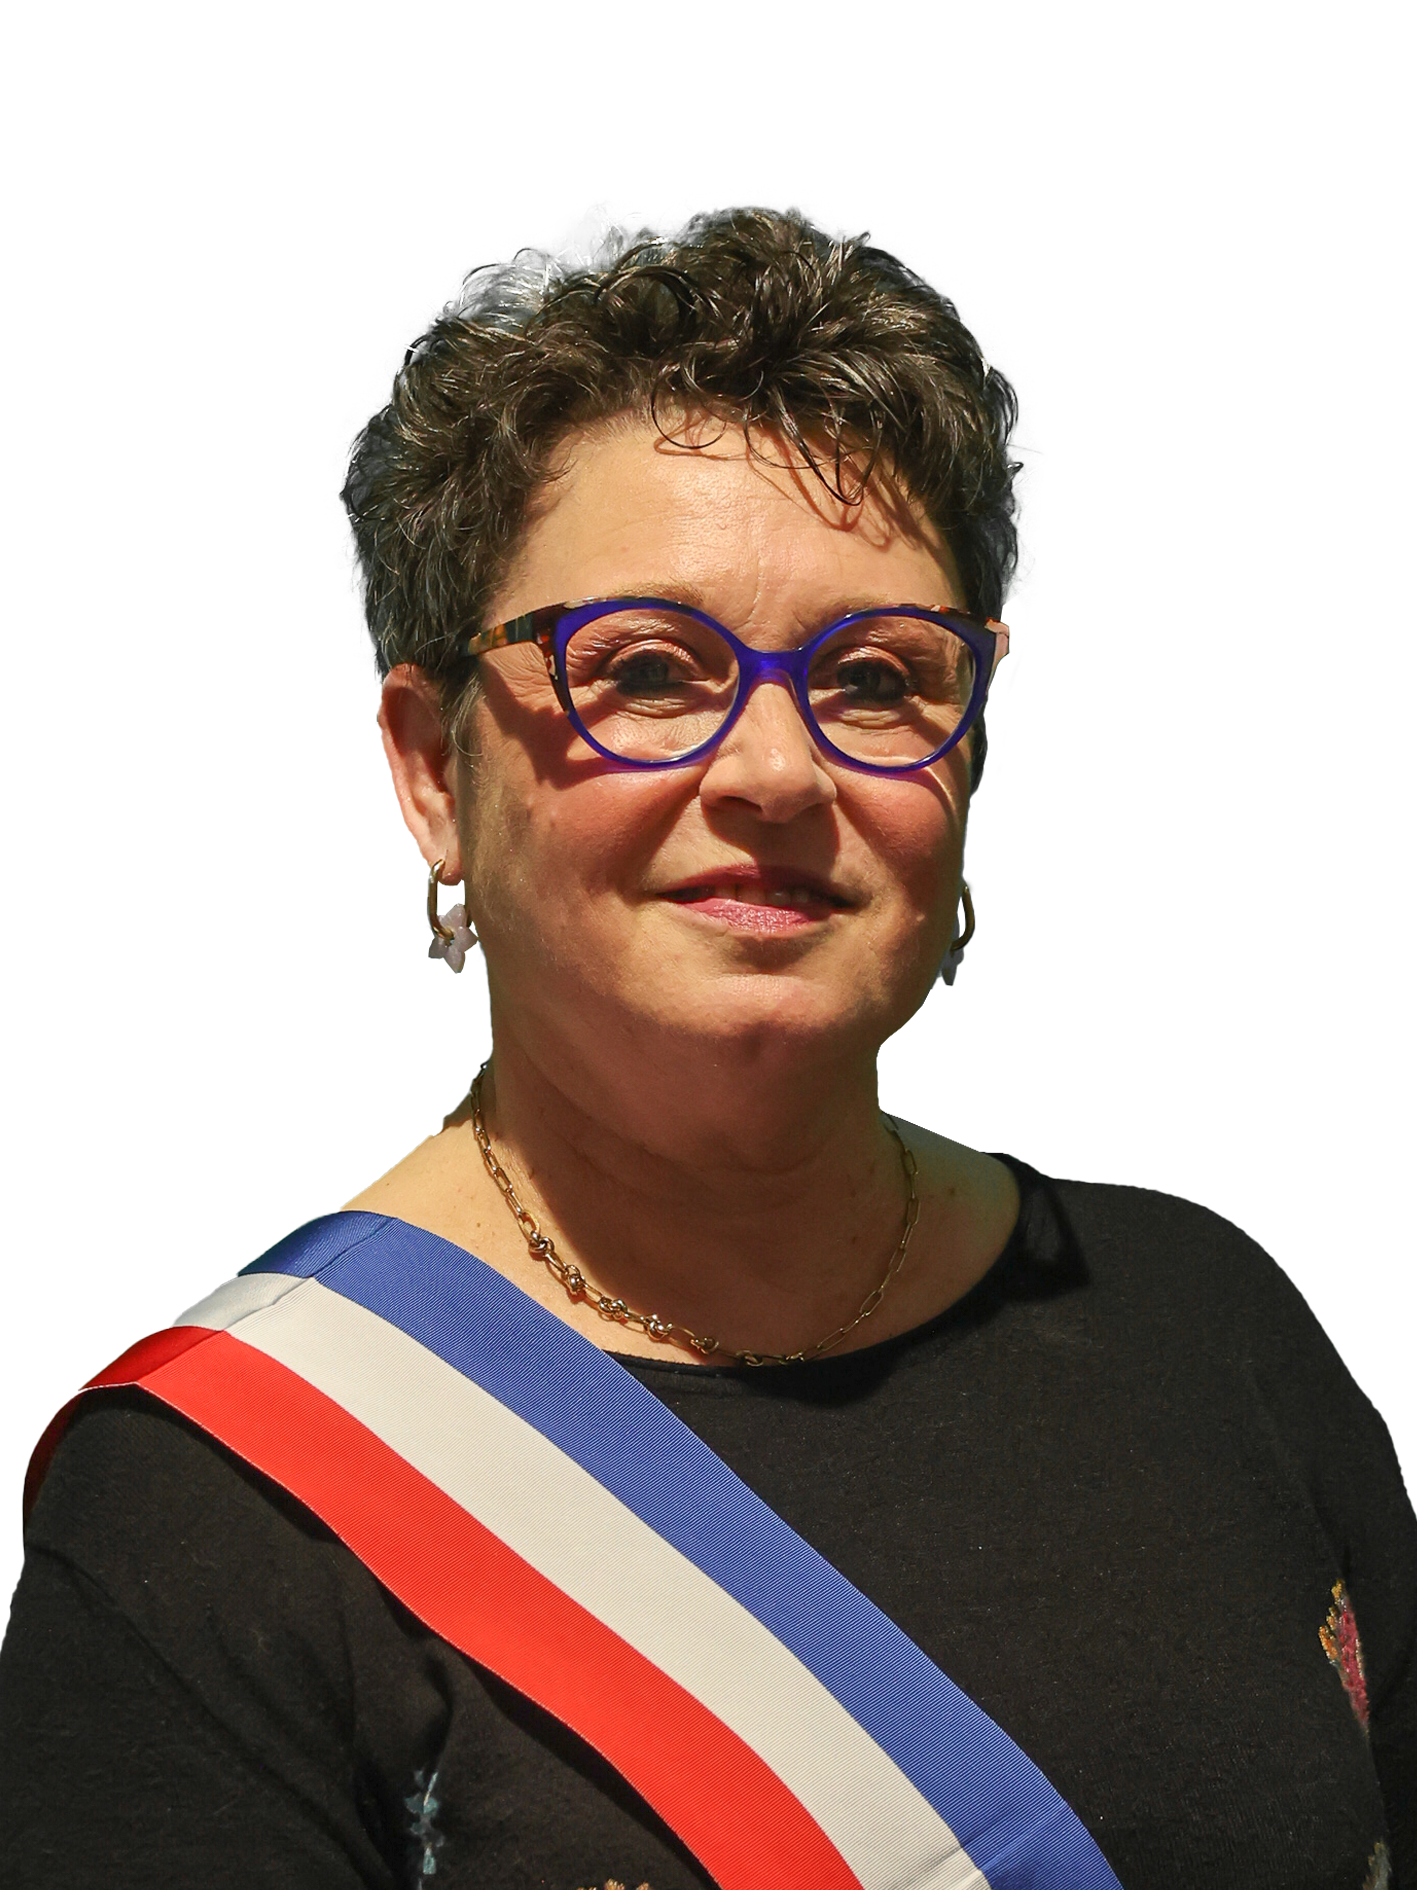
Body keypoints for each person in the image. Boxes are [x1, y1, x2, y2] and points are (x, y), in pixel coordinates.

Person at [1, 209, 1411, 1890]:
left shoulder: (1208, 1327)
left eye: (876, 676)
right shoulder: (213, 1516)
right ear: (435, 767)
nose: (777, 772)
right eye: (651, 670)